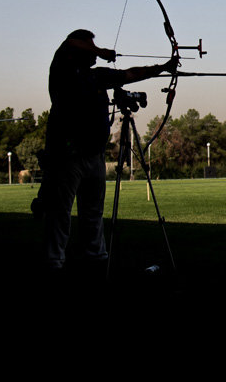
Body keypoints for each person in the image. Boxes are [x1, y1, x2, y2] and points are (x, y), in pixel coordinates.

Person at [40, 29, 177, 276]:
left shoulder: (97, 77)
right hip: (67, 156)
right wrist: (100, 51)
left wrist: (164, 67)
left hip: (94, 155)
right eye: (88, 46)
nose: (93, 50)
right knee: (60, 212)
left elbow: (131, 74)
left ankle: (96, 257)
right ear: (77, 50)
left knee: (93, 211)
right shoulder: (62, 72)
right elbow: (70, 42)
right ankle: (53, 263)